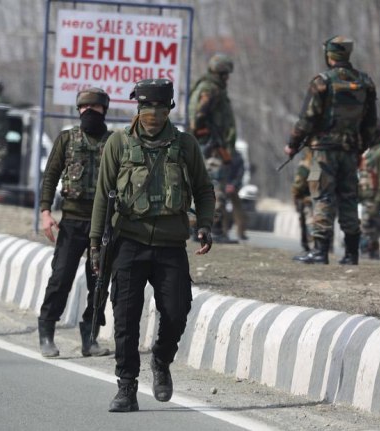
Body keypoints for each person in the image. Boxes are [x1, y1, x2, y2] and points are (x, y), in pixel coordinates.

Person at [89, 79, 216, 412]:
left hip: (170, 244)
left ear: (169, 109)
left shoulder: (185, 145)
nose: (153, 114)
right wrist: (95, 245)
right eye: (147, 107)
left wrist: (205, 224)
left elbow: (203, 189)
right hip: (128, 242)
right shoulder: (118, 143)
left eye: (160, 107)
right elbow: (102, 196)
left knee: (176, 311)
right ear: (138, 107)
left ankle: (161, 359)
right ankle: (126, 386)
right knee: (125, 318)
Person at [285, 36, 377, 265]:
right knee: (348, 199)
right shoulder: (365, 83)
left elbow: (306, 120)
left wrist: (292, 144)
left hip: (322, 154)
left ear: (329, 55)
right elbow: (371, 123)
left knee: (321, 196)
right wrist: (360, 147)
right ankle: (351, 253)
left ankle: (320, 251)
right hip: (349, 152)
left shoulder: (322, 82)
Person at [37, 88, 113, 358]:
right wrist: (45, 212)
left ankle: (90, 338)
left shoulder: (114, 143)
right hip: (71, 222)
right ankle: (46, 333)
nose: (89, 112)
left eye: (95, 107)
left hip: (102, 225)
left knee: (99, 283)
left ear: (104, 110)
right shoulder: (67, 139)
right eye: (84, 107)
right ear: (78, 110)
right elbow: (50, 176)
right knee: (60, 278)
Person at [188, 53, 237, 242]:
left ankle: (199, 229)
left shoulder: (206, 86)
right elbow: (198, 117)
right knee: (215, 186)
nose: (228, 78)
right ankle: (214, 229)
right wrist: (211, 135)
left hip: (207, 145)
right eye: (226, 74)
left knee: (204, 186)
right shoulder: (211, 89)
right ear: (221, 73)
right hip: (211, 147)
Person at [358, 120, 380, 260]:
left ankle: (370, 257)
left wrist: (378, 204)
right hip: (366, 199)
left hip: (373, 200)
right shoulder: (371, 151)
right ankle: (370, 257)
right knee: (367, 231)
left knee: (368, 230)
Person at [291, 149, 314, 257]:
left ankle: (310, 248)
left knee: (309, 224)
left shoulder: (306, 165)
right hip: (320, 200)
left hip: (307, 200)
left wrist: (295, 194)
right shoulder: (323, 164)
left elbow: (299, 184)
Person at [223, 149, 248, 241]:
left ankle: (225, 232)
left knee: (233, 209)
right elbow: (241, 172)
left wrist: (231, 185)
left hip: (226, 186)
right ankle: (227, 232)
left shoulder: (222, 152)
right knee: (236, 209)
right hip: (228, 186)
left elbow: (240, 171)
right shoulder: (237, 155)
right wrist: (233, 184)